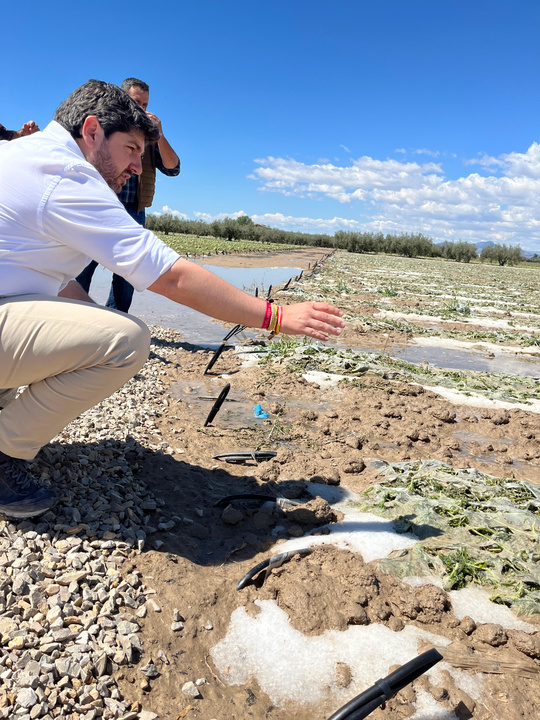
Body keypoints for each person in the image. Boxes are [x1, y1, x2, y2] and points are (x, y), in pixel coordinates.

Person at [0, 80, 345, 519]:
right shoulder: (67, 175)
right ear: (91, 132)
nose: (137, 167)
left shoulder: (22, 154)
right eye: (129, 149)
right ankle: (4, 451)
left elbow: (53, 285)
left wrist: (83, 336)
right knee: (124, 340)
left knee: (94, 323)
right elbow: (172, 277)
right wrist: (274, 316)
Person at [76, 78, 180, 312]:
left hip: (134, 209)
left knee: (129, 272)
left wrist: (159, 135)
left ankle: (116, 319)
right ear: (123, 98)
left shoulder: (149, 137)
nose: (142, 109)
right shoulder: (105, 126)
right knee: (84, 263)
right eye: (136, 102)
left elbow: (173, 168)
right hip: (100, 203)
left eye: (145, 104)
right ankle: (76, 314)